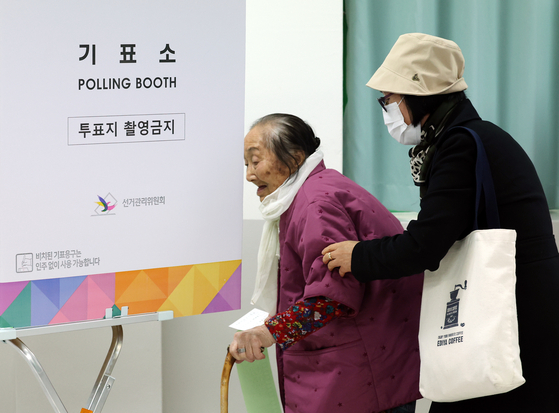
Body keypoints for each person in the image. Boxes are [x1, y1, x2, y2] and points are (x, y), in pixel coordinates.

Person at [322, 33, 559, 412]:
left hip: (512, 312)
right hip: (522, 304)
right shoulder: (468, 138)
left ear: (419, 95)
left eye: (389, 100)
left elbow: (426, 244)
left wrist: (360, 256)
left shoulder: (461, 145)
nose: (386, 111)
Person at [229, 113, 423, 413]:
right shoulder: (313, 191)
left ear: (294, 158)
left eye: (255, 161)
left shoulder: (315, 203)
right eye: (246, 165)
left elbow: (331, 298)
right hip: (360, 364)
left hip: (359, 372)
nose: (249, 175)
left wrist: (268, 332)